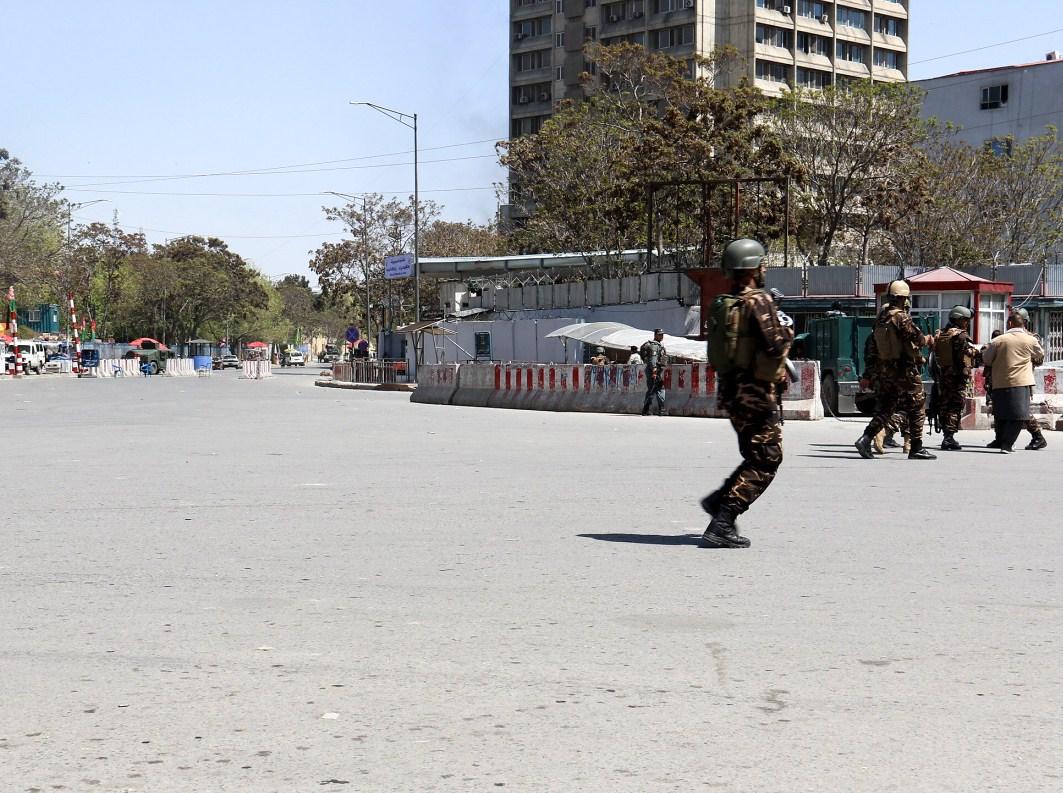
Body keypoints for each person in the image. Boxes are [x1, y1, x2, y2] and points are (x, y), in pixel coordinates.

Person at [700, 239, 794, 549]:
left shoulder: (728, 303)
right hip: (755, 395)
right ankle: (723, 520)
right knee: (768, 458)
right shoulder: (759, 301)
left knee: (755, 454)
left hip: (733, 393)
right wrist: (788, 329)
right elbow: (777, 344)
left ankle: (720, 501)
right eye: (763, 263)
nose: (765, 268)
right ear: (753, 267)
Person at [855, 281, 937, 460]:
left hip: (885, 371)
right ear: (903, 298)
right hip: (904, 370)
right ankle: (916, 447)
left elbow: (875, 348)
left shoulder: (881, 317)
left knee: (886, 407)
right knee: (917, 405)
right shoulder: (901, 317)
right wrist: (929, 339)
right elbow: (917, 338)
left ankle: (866, 438)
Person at [982, 308, 1045, 453]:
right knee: (1011, 413)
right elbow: (1040, 355)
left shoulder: (998, 340)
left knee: (1015, 413)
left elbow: (987, 359)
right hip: (1021, 381)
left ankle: (1012, 441)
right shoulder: (1031, 339)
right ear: (1023, 323)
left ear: (1009, 323)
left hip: (1000, 381)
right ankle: (1003, 441)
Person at [932, 306, 979, 451]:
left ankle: (946, 434)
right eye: (965, 320)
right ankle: (949, 438)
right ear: (958, 319)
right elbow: (965, 354)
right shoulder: (960, 336)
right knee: (955, 406)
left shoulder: (942, 333)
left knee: (945, 405)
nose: (967, 323)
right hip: (957, 377)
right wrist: (977, 352)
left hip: (943, 375)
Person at [640, 329, 667, 416]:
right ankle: (660, 409)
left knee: (652, 389)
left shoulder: (658, 345)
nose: (661, 336)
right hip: (654, 370)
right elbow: (653, 359)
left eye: (662, 334)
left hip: (655, 370)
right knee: (658, 389)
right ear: (655, 335)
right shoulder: (654, 346)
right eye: (659, 335)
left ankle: (646, 409)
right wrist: (654, 370)